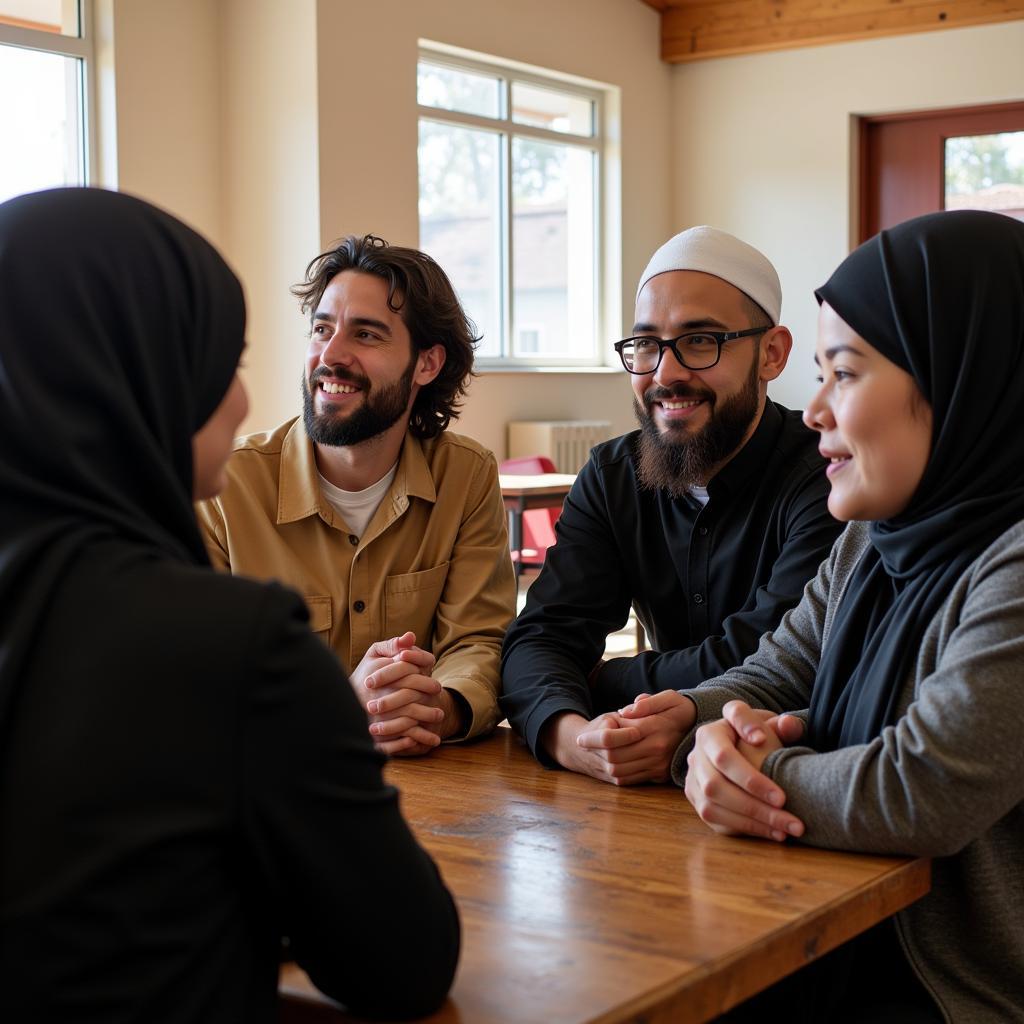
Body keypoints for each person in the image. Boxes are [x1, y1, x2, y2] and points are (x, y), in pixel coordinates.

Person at [0, 189, 459, 1022]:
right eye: (219, 363)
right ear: (136, 375)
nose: (245, 402)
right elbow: (406, 960)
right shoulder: (229, 647)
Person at [627, 210, 1024, 1021]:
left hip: (951, 995)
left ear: (956, 377)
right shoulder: (875, 539)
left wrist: (755, 774)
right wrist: (692, 726)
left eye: (844, 373)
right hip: (830, 935)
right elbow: (781, 669)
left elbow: (924, 788)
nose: (813, 410)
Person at [500, 226, 843, 785]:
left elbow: (773, 659)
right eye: (646, 345)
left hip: (781, 778)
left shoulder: (826, 477)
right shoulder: (614, 476)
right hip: (636, 785)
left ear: (772, 353)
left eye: (701, 341)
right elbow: (542, 637)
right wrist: (570, 739)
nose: (667, 372)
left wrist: (601, 680)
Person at [196, 236, 515, 756]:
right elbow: (196, 676)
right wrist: (340, 707)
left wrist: (438, 707)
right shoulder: (225, 485)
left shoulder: (465, 475)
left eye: (366, 335)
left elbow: (478, 641)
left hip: (429, 778)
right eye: (322, 329)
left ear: (427, 364)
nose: (331, 355)